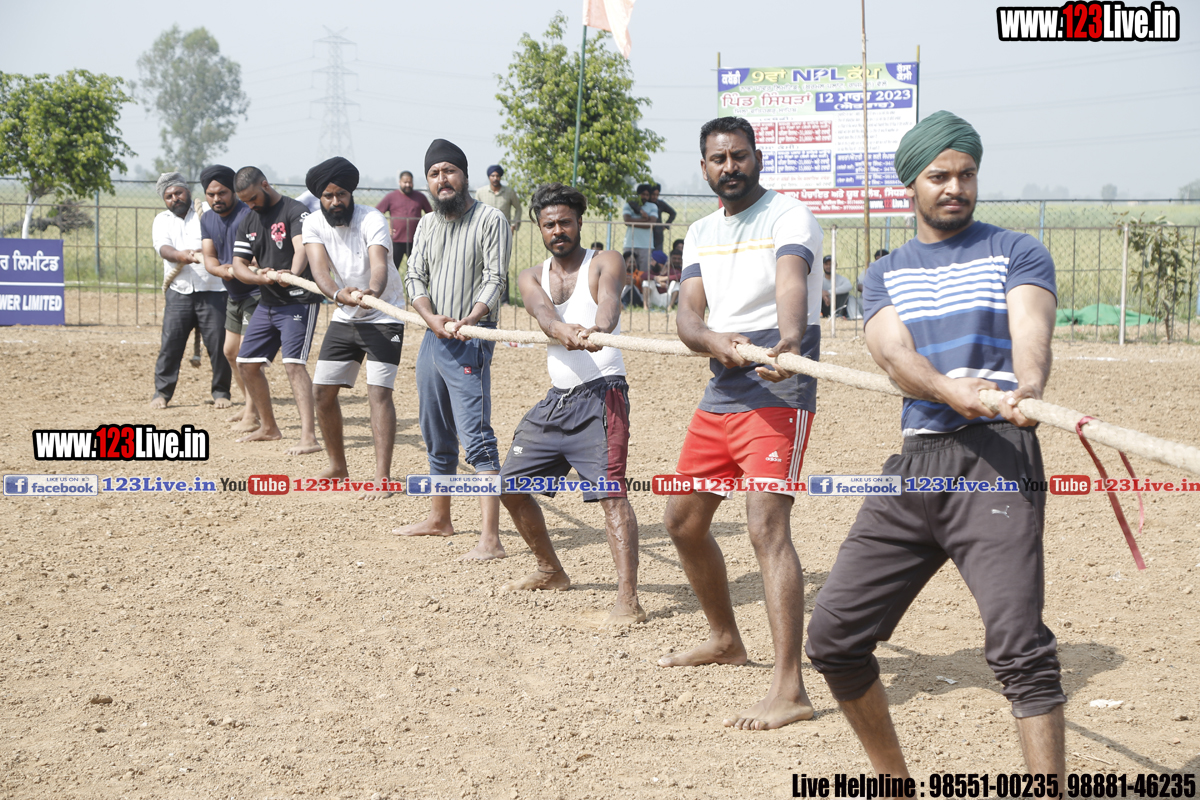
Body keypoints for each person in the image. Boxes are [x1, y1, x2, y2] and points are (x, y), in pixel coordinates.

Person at [805, 111, 1063, 783]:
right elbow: (894, 356)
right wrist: (952, 391)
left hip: (996, 457)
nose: (955, 187)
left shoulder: (1016, 251)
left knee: (1020, 651)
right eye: (939, 176)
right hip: (916, 463)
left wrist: (1026, 388)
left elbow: (1031, 332)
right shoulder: (886, 273)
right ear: (911, 186)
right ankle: (895, 788)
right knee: (833, 638)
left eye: (967, 174)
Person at [658, 116, 823, 732]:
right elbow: (688, 316)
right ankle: (725, 639)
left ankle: (789, 688)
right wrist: (713, 342)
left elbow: (791, 282)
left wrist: (787, 343)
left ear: (757, 157)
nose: (729, 167)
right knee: (682, 521)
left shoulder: (789, 215)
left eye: (738, 156)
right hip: (723, 386)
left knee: (765, 527)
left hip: (779, 386)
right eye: (717, 159)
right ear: (704, 167)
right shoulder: (701, 231)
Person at [499, 182, 644, 626]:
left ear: (580, 222)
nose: (557, 231)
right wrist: (561, 330)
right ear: (540, 229)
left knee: (611, 496)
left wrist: (597, 331)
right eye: (549, 225)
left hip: (603, 395)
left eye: (565, 222)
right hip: (557, 400)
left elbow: (609, 303)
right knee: (509, 485)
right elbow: (542, 313)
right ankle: (551, 570)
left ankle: (628, 600)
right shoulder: (531, 275)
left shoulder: (605, 261)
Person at [395, 139, 511, 560]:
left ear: (463, 175)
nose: (442, 179)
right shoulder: (426, 224)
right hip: (432, 337)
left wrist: (469, 320)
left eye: (449, 171)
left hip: (470, 339)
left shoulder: (491, 219)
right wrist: (430, 318)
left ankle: (490, 539)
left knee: (476, 436)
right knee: (435, 431)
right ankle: (439, 518)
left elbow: (496, 279)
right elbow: (414, 276)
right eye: (434, 173)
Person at [303, 157, 406, 498]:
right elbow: (319, 270)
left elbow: (379, 265)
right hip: (345, 313)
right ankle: (338, 466)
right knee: (322, 392)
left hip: (384, 314)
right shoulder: (313, 224)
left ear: (351, 194)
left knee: (378, 392)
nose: (336, 201)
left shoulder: (371, 218)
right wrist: (337, 294)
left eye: (342, 194)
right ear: (319, 197)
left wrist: (372, 293)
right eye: (328, 196)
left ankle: (382, 477)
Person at [230, 166, 324, 455]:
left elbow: (302, 249)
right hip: (268, 302)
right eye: (244, 201)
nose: (250, 205)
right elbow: (238, 265)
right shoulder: (247, 220)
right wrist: (259, 279)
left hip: (298, 300)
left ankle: (308, 437)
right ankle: (269, 427)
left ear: (265, 184)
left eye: (253, 198)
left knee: (293, 364)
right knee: (246, 364)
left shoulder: (295, 211)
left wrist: (291, 273)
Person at [150, 172, 231, 410]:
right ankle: (162, 393)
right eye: (169, 196)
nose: (175, 198)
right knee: (170, 345)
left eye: (178, 193)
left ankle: (221, 392)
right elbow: (163, 248)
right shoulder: (161, 220)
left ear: (187, 191)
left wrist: (204, 253)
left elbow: (223, 240)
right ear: (164, 200)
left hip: (213, 289)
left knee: (219, 345)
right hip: (179, 290)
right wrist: (180, 255)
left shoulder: (208, 212)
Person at [198, 164, 259, 431]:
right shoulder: (207, 220)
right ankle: (250, 403)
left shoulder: (249, 215)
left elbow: (259, 255)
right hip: (233, 293)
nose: (216, 199)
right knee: (230, 352)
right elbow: (209, 257)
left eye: (221, 193)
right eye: (210, 194)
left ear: (233, 191)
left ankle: (252, 415)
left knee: (247, 355)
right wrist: (220, 270)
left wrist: (244, 267)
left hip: (257, 293)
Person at [376, 169, 432, 275]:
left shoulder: (420, 197)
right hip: (396, 240)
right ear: (399, 182)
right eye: (405, 182)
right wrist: (385, 229)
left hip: (416, 240)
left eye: (410, 182)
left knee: (417, 269)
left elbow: (431, 214)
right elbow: (376, 213)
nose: (407, 185)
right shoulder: (391, 197)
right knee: (392, 270)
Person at [475, 164, 522, 234]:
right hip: (485, 229)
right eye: (493, 176)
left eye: (497, 176)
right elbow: (475, 210)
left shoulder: (509, 192)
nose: (495, 178)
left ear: (500, 177)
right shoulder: (480, 192)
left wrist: (513, 225)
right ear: (489, 177)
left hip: (503, 229)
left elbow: (518, 208)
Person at [621, 184, 657, 275]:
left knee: (644, 273)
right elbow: (627, 221)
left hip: (646, 245)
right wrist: (645, 219)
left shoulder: (653, 206)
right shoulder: (628, 205)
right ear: (638, 194)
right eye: (643, 194)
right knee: (626, 271)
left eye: (647, 195)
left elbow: (651, 224)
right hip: (630, 243)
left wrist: (633, 222)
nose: (645, 197)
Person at [649, 183, 677, 253]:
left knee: (657, 254)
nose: (655, 197)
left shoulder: (660, 204)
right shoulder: (645, 203)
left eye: (657, 195)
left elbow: (673, 213)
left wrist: (665, 225)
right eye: (653, 194)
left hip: (658, 235)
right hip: (647, 233)